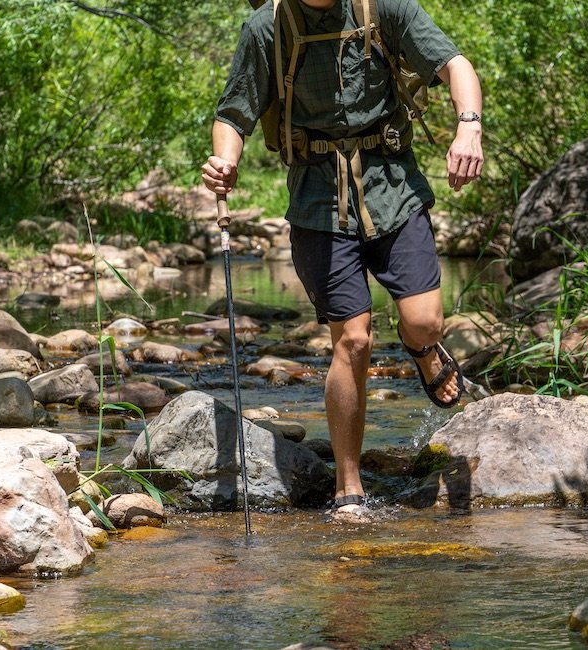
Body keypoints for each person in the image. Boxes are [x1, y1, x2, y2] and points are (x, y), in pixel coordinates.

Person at [201, 0, 483, 520]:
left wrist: (469, 126)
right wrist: (225, 161)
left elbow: (455, 64)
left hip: (394, 187)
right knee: (351, 339)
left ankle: (421, 350)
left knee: (426, 323)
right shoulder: (269, 26)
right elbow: (232, 113)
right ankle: (348, 486)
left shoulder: (385, 8)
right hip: (316, 202)